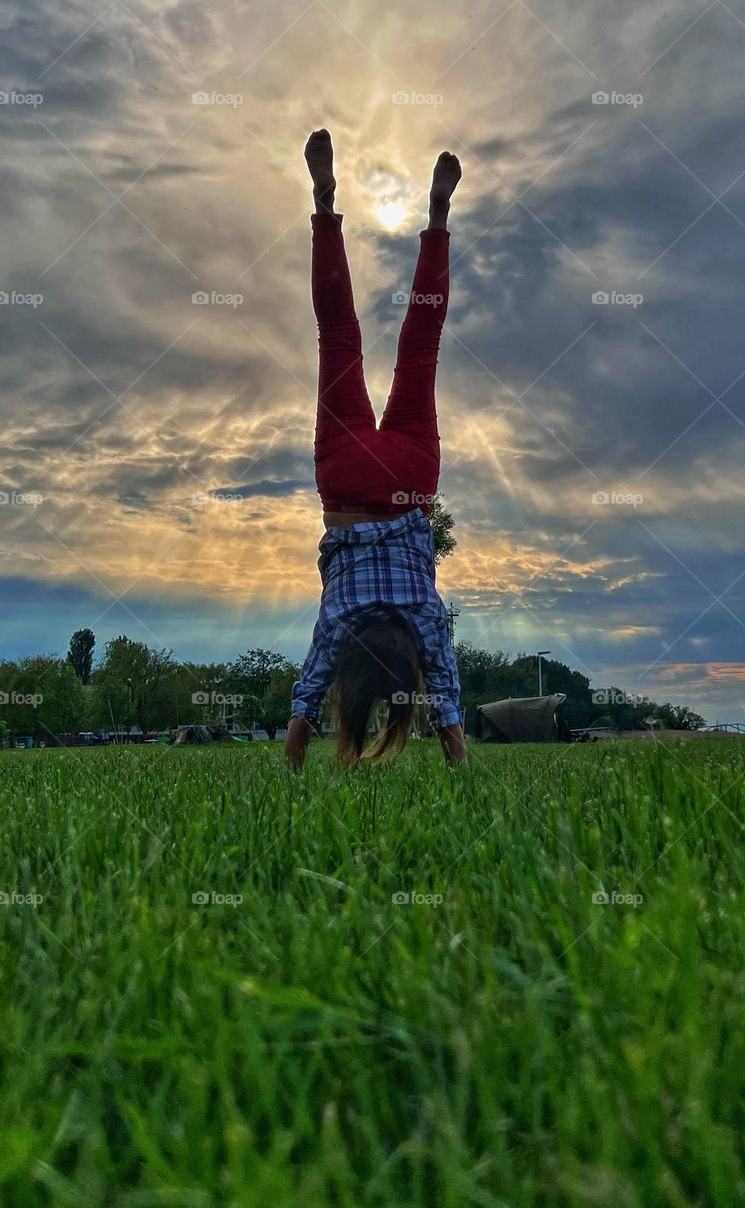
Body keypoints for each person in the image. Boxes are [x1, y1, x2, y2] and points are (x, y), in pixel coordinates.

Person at [285, 129, 466, 770]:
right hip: (344, 478)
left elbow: (446, 701)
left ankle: (438, 219)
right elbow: (304, 703)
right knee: (337, 333)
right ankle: (326, 205)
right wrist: (291, 762)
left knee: (421, 343)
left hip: (413, 478)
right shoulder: (336, 624)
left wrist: (460, 760)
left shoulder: (425, 619)